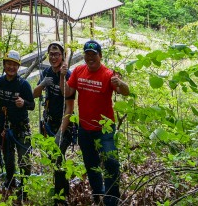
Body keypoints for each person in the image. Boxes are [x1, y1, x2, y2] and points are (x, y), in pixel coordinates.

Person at [63, 39, 130, 206]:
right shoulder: (78, 71)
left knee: (111, 162)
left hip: (104, 128)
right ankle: (97, 193)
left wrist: (120, 83)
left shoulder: (108, 74)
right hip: (85, 127)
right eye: (87, 55)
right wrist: (61, 75)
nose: (90, 58)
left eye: (94, 55)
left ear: (100, 56)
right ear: (84, 56)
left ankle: (111, 198)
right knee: (91, 163)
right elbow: (67, 92)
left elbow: (125, 92)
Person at [33, 40, 74, 205]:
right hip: (48, 123)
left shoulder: (68, 75)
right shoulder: (46, 72)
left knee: (58, 158)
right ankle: (65, 188)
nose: (53, 57)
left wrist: (61, 132)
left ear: (62, 56)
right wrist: (42, 84)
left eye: (57, 54)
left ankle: (60, 198)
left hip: (64, 123)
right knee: (54, 158)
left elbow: (70, 107)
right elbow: (34, 95)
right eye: (51, 54)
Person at [0, 50, 35, 199]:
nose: (11, 67)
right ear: (4, 65)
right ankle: (10, 182)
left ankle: (24, 189)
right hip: (5, 127)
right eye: (8, 64)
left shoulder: (23, 85)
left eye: (14, 65)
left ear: (18, 67)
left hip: (22, 127)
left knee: (24, 160)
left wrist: (24, 103)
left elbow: (32, 105)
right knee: (8, 159)